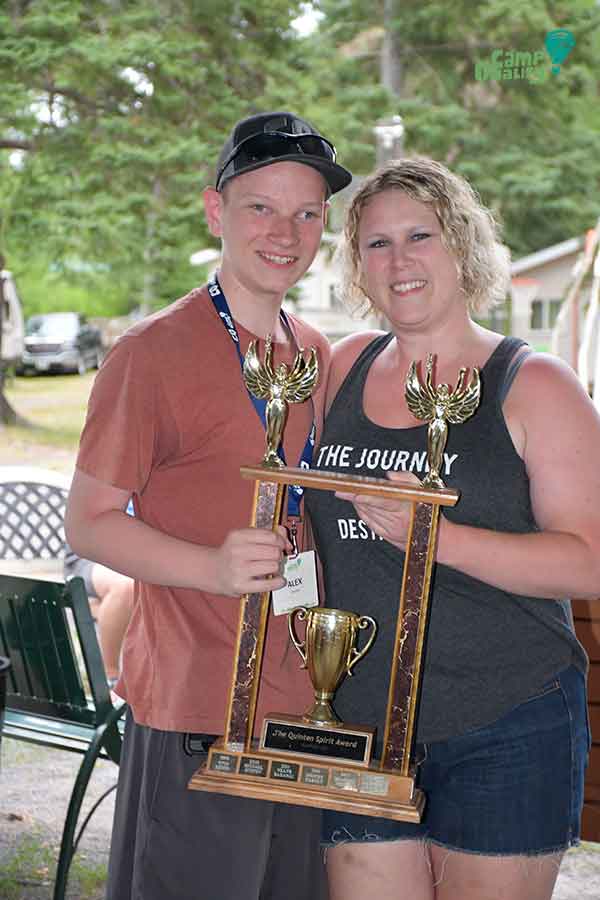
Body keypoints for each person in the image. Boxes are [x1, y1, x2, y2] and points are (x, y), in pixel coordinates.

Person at [64, 111, 352, 900]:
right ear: (216, 211)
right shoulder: (149, 354)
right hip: (196, 704)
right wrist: (209, 568)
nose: (285, 231)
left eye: (307, 213)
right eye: (261, 206)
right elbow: (87, 522)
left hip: (302, 707)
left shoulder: (315, 353)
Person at [306, 157, 600, 900]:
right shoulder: (342, 367)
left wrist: (432, 536)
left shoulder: (533, 384)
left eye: (420, 235)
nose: (399, 260)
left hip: (506, 720)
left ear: (462, 246)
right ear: (358, 268)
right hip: (361, 719)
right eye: (376, 244)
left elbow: (590, 562)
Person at [63, 541, 134, 685]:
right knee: (125, 587)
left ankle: (99, 609)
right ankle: (110, 676)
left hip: (146, 557)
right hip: (91, 556)